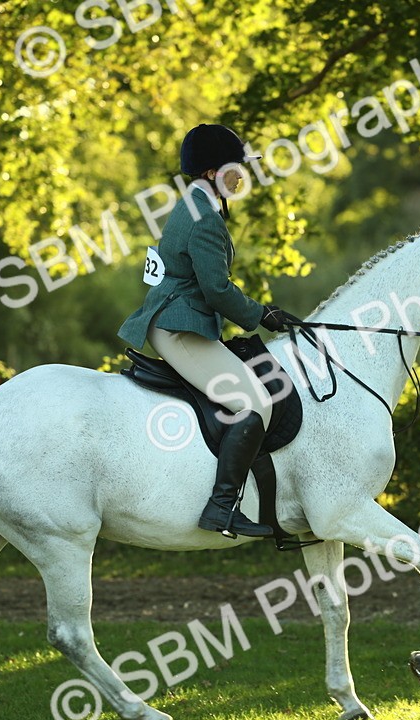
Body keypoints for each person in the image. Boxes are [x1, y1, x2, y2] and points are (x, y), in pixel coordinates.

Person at [118, 123, 292, 539]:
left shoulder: (198, 205)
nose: (242, 176)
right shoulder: (204, 217)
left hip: (181, 319)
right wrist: (259, 314)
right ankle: (222, 507)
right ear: (213, 172)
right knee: (255, 404)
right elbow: (215, 288)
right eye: (236, 168)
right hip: (180, 327)